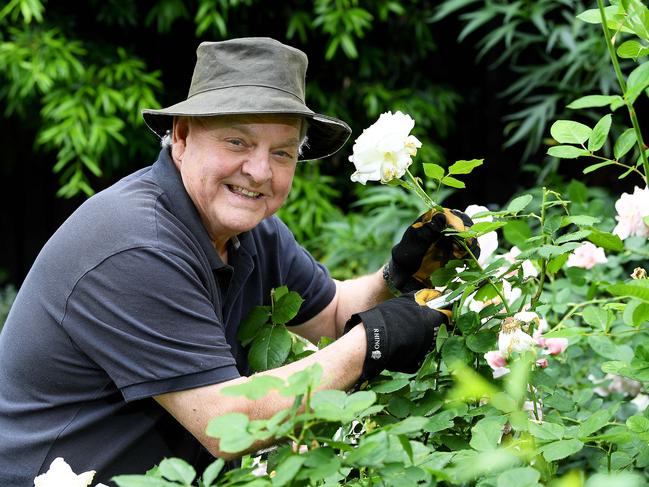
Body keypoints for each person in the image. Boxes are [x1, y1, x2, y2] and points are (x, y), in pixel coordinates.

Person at [0, 37, 477, 486]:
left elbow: (330, 316)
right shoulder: (137, 243)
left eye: (283, 152)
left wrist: (400, 274)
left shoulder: (252, 230)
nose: (260, 171)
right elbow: (228, 425)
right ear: (182, 137)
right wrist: (374, 342)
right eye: (238, 142)